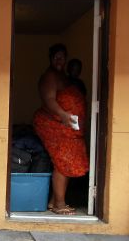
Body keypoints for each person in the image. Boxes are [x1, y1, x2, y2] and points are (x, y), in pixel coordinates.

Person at [33, 43, 89, 215]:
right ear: (50, 58)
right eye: (56, 57)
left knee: (67, 158)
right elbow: (49, 100)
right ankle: (59, 204)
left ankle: (53, 202)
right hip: (53, 124)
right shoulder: (49, 76)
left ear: (65, 59)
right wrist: (64, 115)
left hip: (67, 126)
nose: (59, 60)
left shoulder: (63, 76)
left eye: (62, 57)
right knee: (62, 159)